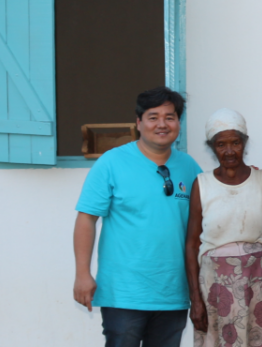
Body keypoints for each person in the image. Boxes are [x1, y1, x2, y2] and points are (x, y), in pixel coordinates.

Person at [73, 86, 203, 347]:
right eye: (153, 117)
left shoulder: (189, 167)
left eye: (170, 117)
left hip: (173, 292)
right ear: (139, 122)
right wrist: (82, 274)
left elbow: (208, 220)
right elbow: (86, 219)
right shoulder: (111, 163)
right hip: (124, 293)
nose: (162, 124)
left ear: (178, 122)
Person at [186, 108, 262, 347]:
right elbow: (191, 244)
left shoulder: (261, 180)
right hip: (214, 283)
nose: (230, 151)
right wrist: (196, 300)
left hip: (257, 278)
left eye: (236, 143)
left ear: (245, 143)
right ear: (212, 147)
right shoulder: (202, 185)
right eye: (221, 144)